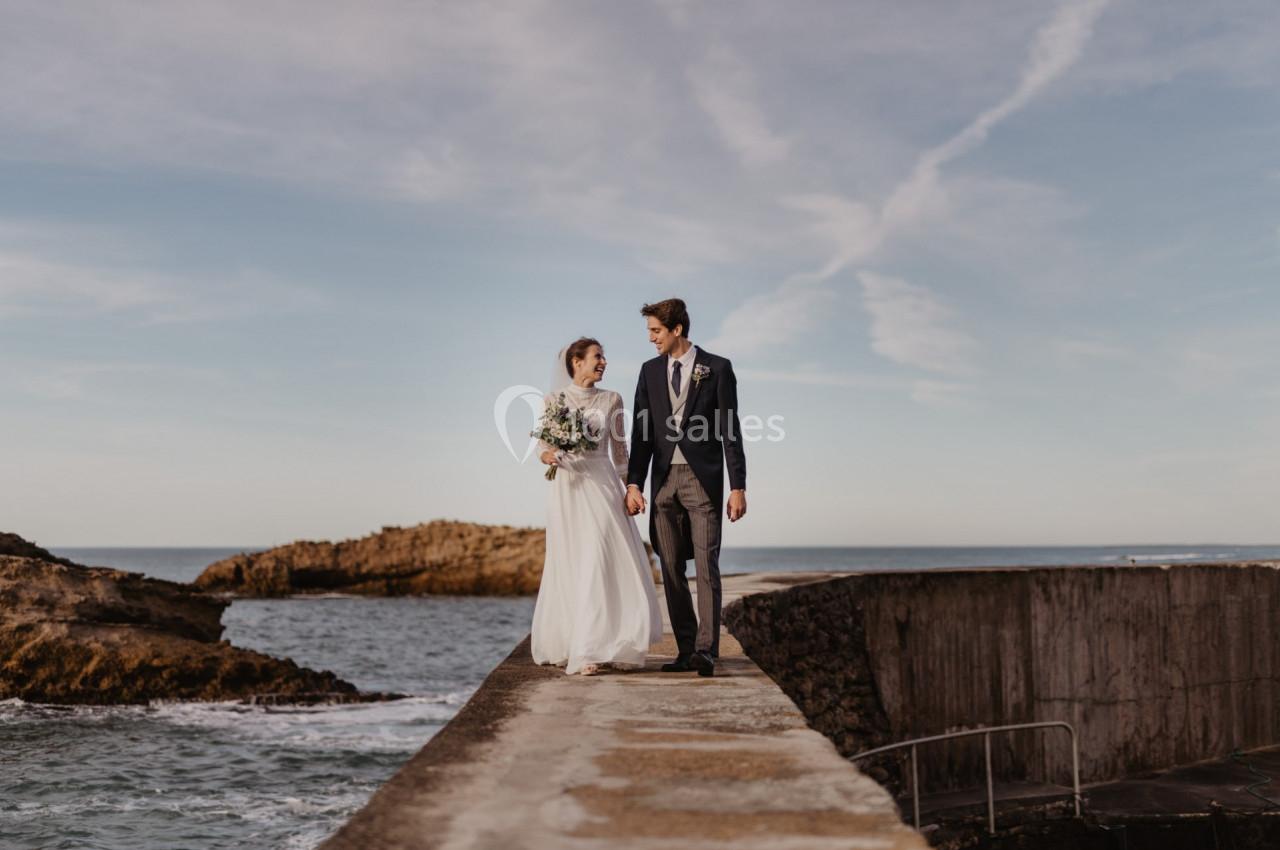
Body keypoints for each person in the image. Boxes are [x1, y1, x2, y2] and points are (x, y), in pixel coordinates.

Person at [626, 299, 747, 678]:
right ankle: (685, 649)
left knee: (707, 566)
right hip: (662, 484)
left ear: (676, 329)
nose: (651, 339)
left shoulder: (718, 368)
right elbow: (642, 433)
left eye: (656, 331)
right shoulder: (648, 372)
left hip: (703, 480)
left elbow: (730, 430)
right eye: (649, 332)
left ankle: (706, 651)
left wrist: (737, 486)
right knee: (672, 568)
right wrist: (634, 482)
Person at [530, 337, 664, 675]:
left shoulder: (612, 400)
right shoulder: (552, 400)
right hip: (568, 488)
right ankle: (582, 647)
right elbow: (542, 447)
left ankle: (618, 642)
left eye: (604, 357)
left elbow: (621, 454)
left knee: (605, 557)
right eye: (597, 357)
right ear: (576, 362)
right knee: (574, 560)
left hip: (602, 485)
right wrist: (551, 455)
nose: (603, 362)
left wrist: (631, 489)